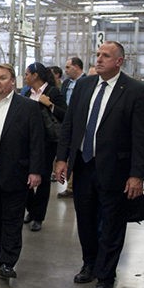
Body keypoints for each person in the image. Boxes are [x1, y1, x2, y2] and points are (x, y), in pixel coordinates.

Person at [55, 41, 144, 288]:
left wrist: (137, 175)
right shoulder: (85, 86)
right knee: (85, 219)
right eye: (97, 55)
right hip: (84, 167)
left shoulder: (135, 91)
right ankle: (90, 264)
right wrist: (62, 158)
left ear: (119, 61)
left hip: (116, 170)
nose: (98, 59)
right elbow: (70, 126)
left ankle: (106, 277)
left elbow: (141, 137)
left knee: (111, 224)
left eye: (105, 56)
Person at [0, 64, 44, 279]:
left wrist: (35, 171)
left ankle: (9, 262)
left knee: (12, 218)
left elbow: (37, 142)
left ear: (13, 81)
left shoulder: (28, 107)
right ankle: (0, 254)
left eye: (2, 78)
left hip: (15, 171)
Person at [23, 62, 67, 232]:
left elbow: (65, 115)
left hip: (47, 142)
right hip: (28, 141)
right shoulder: (27, 93)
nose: (25, 77)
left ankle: (38, 216)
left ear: (35, 75)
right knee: (24, 176)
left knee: (42, 179)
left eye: (27, 74)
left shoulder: (53, 92)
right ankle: (32, 209)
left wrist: (50, 104)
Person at [58, 56, 86, 198]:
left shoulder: (87, 83)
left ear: (76, 67)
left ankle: (72, 187)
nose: (66, 70)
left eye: (68, 67)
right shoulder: (66, 83)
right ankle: (70, 185)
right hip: (66, 122)